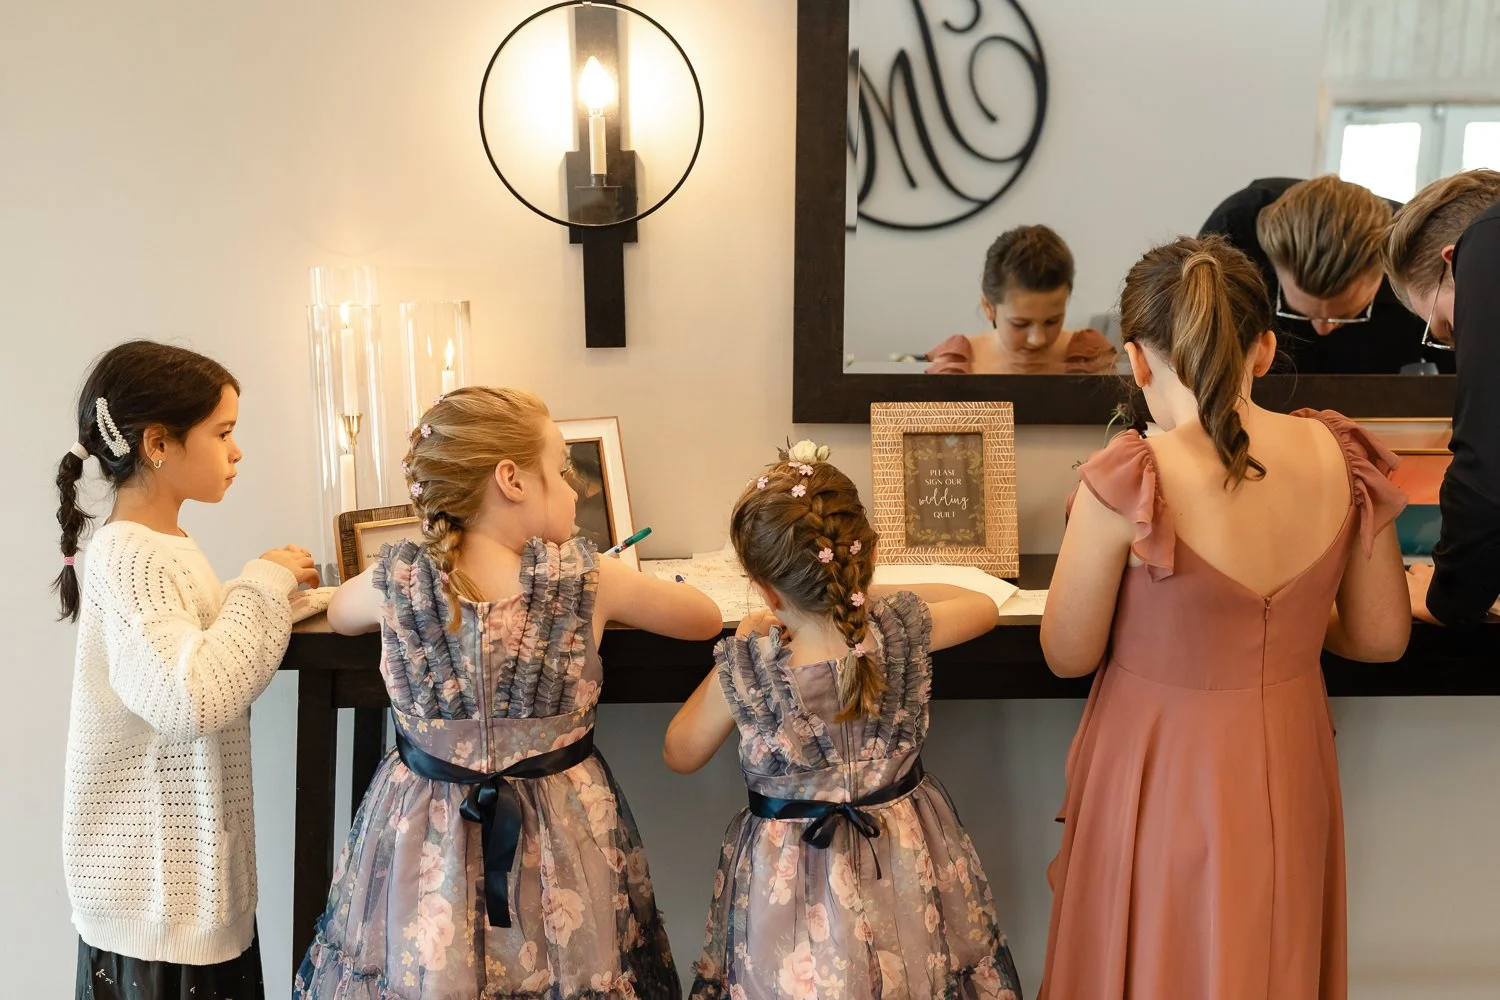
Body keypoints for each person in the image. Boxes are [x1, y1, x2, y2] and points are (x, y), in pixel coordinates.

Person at [1038, 236, 1410, 999]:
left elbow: (1067, 654)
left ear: (1137, 360)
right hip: (1291, 756)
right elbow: (1379, 637)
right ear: (1266, 350)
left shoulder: (1128, 478)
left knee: (1151, 958)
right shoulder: (1342, 454)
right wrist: (1293, 629)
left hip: (1158, 768)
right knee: (1270, 954)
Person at [295, 386, 723, 999]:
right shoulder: (587, 578)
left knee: (426, 970)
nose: (575, 490)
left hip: (423, 829)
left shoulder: (398, 580)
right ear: (512, 480)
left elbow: (339, 612)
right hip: (559, 835)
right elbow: (704, 618)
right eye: (561, 471)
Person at [664, 459, 1023, 999]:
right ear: (867, 557)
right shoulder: (898, 634)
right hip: (902, 866)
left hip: (790, 889)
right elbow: (981, 605)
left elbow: (680, 751)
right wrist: (862, 594)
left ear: (765, 589)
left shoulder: (751, 668)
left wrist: (742, 647)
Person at [59, 341, 318, 1000]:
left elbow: (201, 651)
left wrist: (287, 598)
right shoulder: (131, 557)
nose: (237, 451)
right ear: (158, 443)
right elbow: (190, 698)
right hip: (156, 919)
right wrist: (264, 581)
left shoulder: (164, 549)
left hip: (186, 906)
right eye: (223, 432)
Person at [1384, 168, 1500, 626]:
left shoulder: (1487, 242)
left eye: (1446, 328)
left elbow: (1488, 465)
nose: (1458, 348)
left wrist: (1447, 596)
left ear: (1457, 260)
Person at [1199, 175, 1448, 374]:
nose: (1322, 329)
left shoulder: (1417, 253)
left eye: (1346, 316)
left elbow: (1456, 371)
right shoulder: (1231, 236)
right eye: (1300, 311)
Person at [925, 224, 1117, 374]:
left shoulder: (1089, 357)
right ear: (988, 306)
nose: (1038, 339)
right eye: (1020, 324)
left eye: (1052, 321)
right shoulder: (956, 363)